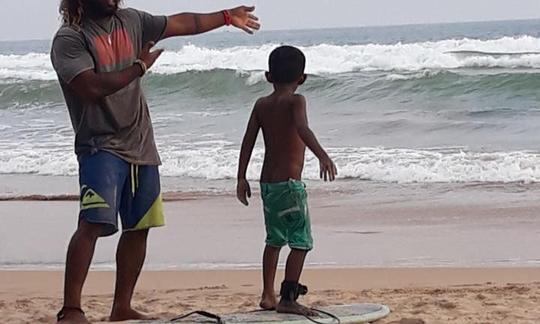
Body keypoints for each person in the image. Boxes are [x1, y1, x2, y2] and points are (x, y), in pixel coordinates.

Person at [50, 1, 260, 323]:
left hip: (141, 142)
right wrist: (139, 67)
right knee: (92, 224)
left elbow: (183, 23)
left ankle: (121, 307)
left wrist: (226, 17)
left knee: (140, 226)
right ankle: (72, 309)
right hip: (99, 145)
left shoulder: (132, 20)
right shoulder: (70, 38)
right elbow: (90, 87)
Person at [236, 45, 338, 315]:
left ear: (268, 76)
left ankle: (268, 294)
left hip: (267, 185)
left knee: (274, 240)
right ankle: (289, 297)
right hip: (290, 187)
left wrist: (240, 177)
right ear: (302, 78)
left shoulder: (261, 104)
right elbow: (303, 128)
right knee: (301, 242)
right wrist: (323, 156)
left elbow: (248, 141)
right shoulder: (297, 100)